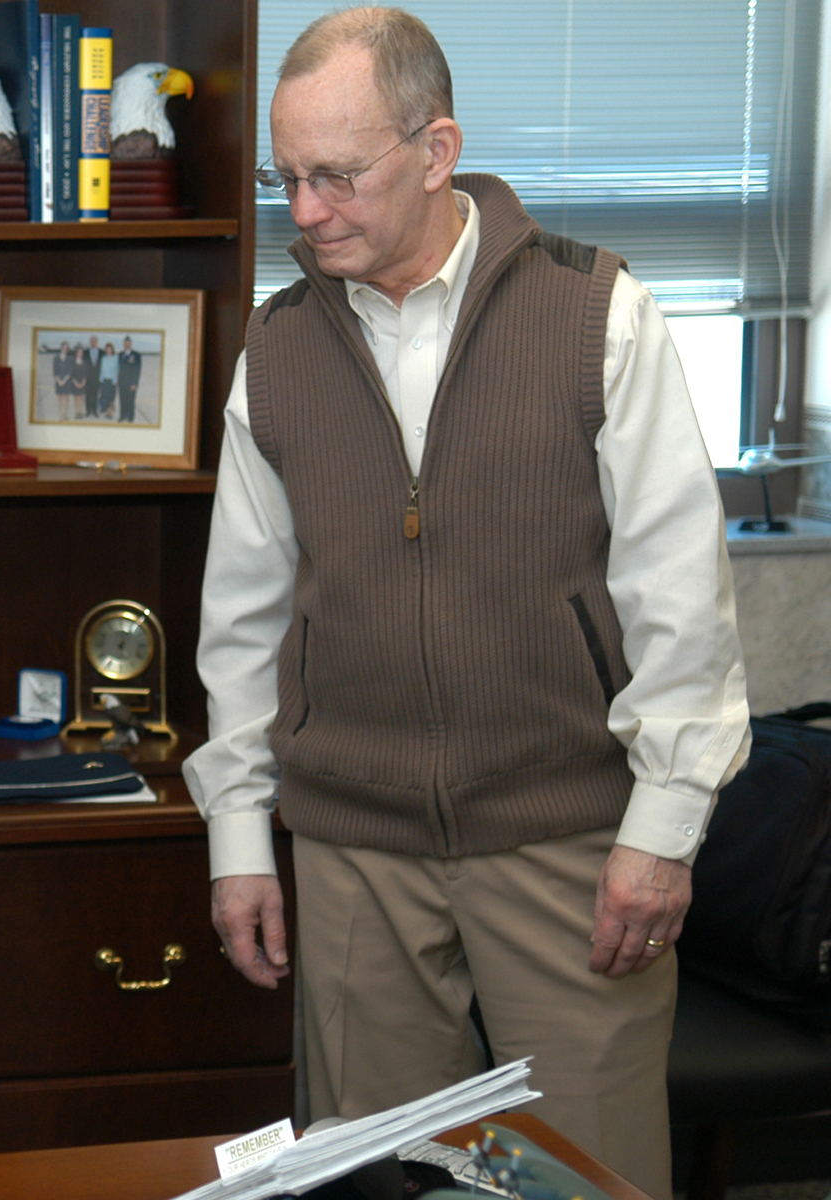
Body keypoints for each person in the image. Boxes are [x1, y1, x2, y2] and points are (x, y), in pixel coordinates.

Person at [180, 11, 750, 1199]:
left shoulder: (595, 312)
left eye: (338, 175)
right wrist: (241, 835)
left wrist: (663, 831)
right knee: (383, 1177)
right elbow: (242, 616)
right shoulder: (278, 348)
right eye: (288, 179)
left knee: (580, 1179)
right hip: (354, 852)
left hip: (570, 843)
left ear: (437, 150)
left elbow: (678, 592)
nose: (308, 209)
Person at [115, 336, 141, 423]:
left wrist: (135, 383)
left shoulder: (136, 355)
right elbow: (118, 369)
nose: (126, 345)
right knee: (122, 399)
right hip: (122, 382)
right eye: (125, 343)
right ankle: (123, 415)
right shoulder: (120, 355)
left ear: (130, 344)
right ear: (123, 344)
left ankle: (130, 416)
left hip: (131, 383)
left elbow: (137, 370)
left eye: (128, 343)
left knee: (131, 400)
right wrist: (118, 381)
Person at [96, 339, 120, 422]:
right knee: (104, 396)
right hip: (104, 380)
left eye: (110, 349)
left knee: (111, 398)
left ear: (112, 350)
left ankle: (110, 413)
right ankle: (105, 410)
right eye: (107, 349)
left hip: (112, 381)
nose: (109, 350)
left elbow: (117, 370)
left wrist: (115, 380)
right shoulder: (104, 358)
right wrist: (100, 379)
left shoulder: (116, 358)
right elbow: (102, 370)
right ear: (106, 350)